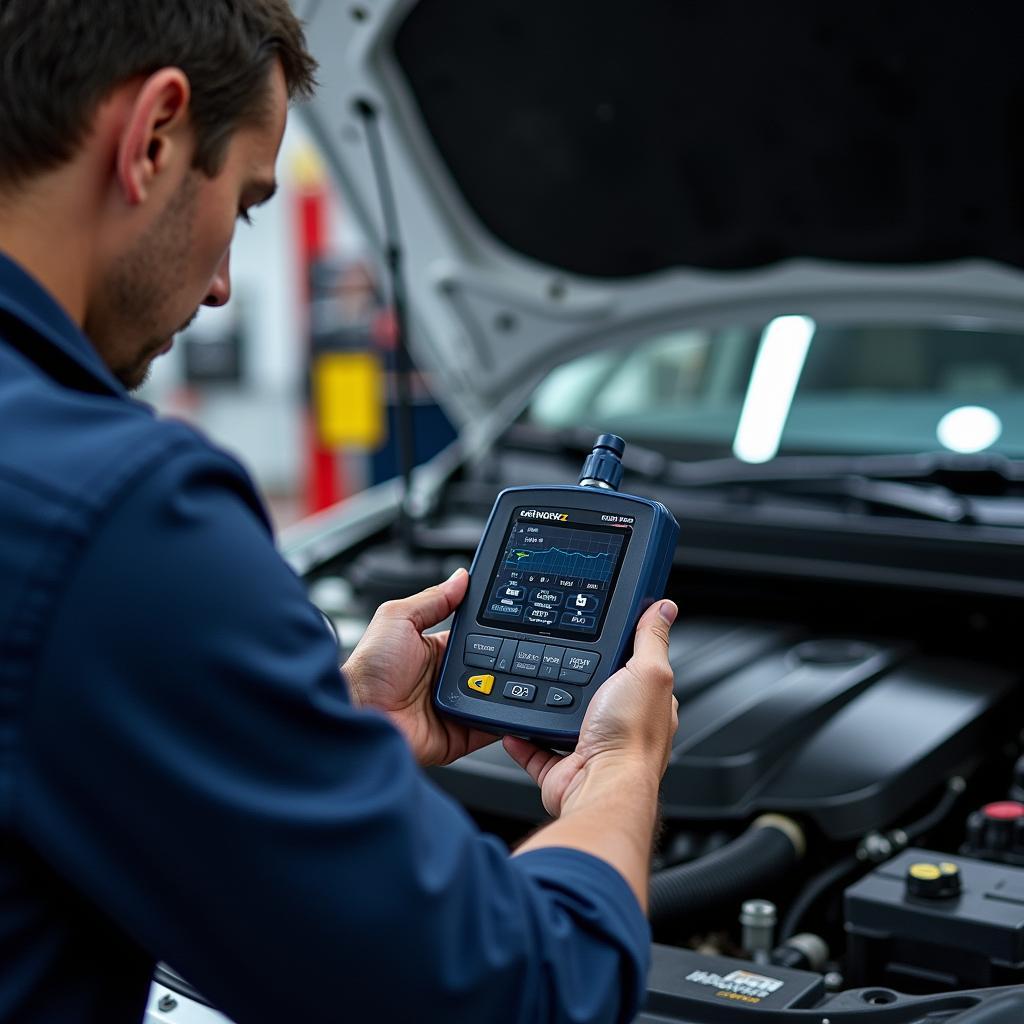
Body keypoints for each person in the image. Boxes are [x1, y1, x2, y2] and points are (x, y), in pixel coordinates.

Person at [0, 3, 679, 1022]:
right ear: (152, 137)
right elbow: (525, 993)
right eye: (243, 202)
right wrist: (621, 775)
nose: (225, 284)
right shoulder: (109, 511)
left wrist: (314, 731)